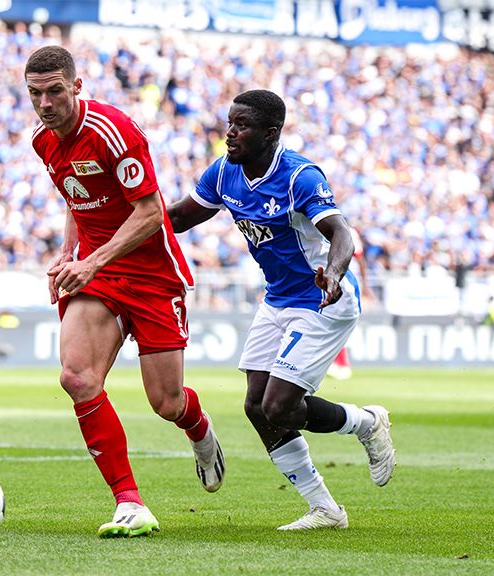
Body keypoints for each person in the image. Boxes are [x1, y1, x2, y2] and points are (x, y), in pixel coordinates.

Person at [167, 89, 395, 530]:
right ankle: (326, 510)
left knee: (279, 406)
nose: (230, 133)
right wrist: (112, 225)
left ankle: (366, 422)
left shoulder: (299, 177)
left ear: (271, 133)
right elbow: (177, 218)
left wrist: (332, 270)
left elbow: (342, 233)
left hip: (322, 298)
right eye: (230, 122)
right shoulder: (223, 173)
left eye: (242, 126)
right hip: (278, 298)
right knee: (256, 407)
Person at [24, 45, 224, 538]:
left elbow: (151, 212)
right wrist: (71, 254)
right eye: (35, 94)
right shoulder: (43, 142)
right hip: (100, 273)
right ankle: (129, 503)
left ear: (77, 86)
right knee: (77, 376)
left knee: (166, 402)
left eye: (54, 92)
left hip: (153, 274)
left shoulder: (114, 131)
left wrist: (90, 260)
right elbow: (77, 199)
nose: (45, 104)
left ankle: (198, 429)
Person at [326, 226, 368, 380]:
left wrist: (366, 285)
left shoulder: (346, 231)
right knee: (331, 321)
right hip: (336, 281)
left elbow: (360, 258)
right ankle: (337, 363)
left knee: (336, 321)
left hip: (347, 282)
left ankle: (342, 364)